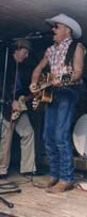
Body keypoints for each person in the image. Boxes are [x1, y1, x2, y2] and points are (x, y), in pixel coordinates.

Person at [29, 13, 86, 193]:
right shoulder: (50, 50)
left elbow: (77, 73)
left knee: (61, 136)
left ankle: (67, 178)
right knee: (47, 136)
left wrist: (61, 79)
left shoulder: (76, 46)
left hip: (68, 91)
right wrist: (34, 83)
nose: (53, 30)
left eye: (57, 27)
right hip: (52, 93)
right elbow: (38, 68)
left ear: (67, 30)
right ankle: (54, 175)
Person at [0, 39, 36, 179]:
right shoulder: (5, 64)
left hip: (20, 106)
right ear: (16, 50)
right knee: (6, 137)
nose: (26, 55)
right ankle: (2, 170)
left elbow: (22, 88)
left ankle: (28, 169)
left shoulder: (23, 68)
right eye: (25, 52)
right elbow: (2, 85)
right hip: (8, 106)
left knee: (28, 132)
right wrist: (10, 100)